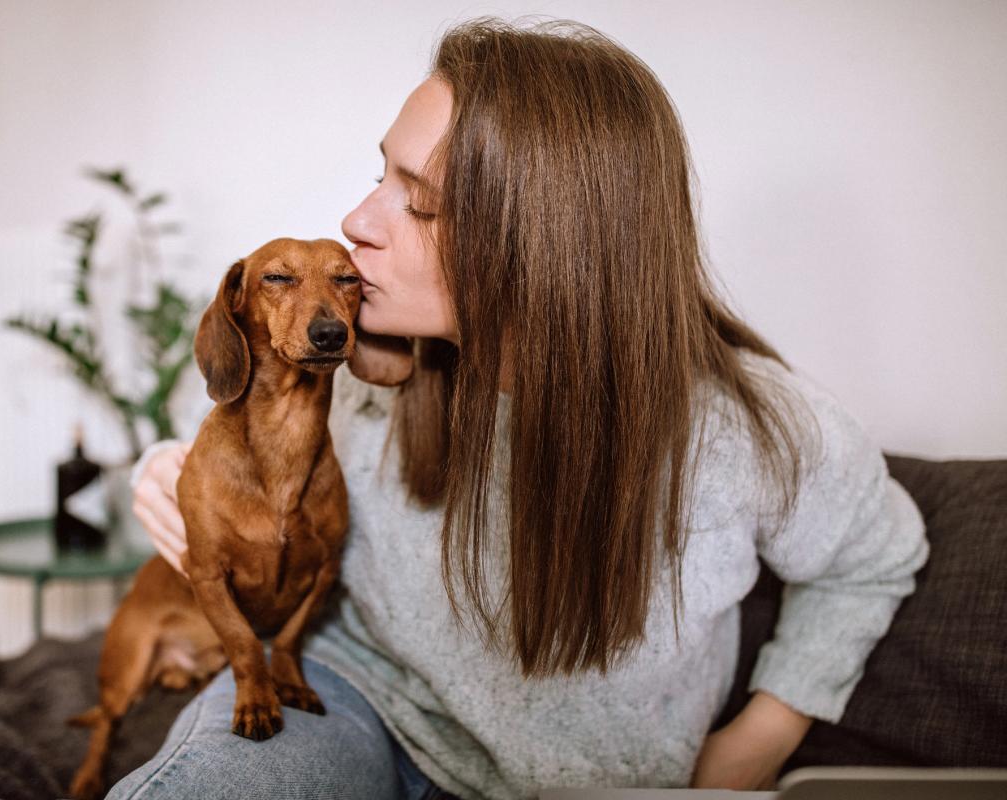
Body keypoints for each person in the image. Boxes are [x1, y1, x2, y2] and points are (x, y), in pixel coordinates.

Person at [106, 16, 929, 800]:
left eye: (419, 202)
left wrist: (759, 741)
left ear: (547, 241)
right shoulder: (357, 365)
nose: (356, 222)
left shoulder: (748, 428)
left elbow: (873, 560)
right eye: (379, 176)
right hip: (356, 705)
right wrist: (164, 469)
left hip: (594, 780)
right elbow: (242, 428)